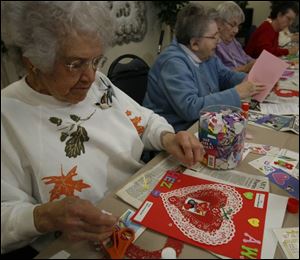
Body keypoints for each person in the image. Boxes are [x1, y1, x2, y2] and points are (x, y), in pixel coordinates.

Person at [1, 2, 205, 256]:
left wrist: (168, 138)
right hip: (82, 244)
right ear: (32, 61)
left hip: (140, 211)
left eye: (96, 60)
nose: (90, 76)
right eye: (75, 64)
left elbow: (146, 121)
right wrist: (44, 217)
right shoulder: (7, 115)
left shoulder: (99, 84)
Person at [143, 3, 264, 132]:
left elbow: (226, 76)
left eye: (218, 35)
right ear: (194, 43)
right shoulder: (173, 63)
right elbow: (190, 108)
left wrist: (249, 79)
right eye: (213, 37)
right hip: (177, 133)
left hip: (203, 124)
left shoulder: (206, 54)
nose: (218, 41)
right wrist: (237, 93)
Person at [215, 1, 255, 73]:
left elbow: (246, 57)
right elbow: (221, 75)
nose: (236, 30)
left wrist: (258, 62)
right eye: (232, 25)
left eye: (238, 26)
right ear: (219, 22)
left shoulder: (233, 41)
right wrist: (245, 68)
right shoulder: (214, 45)